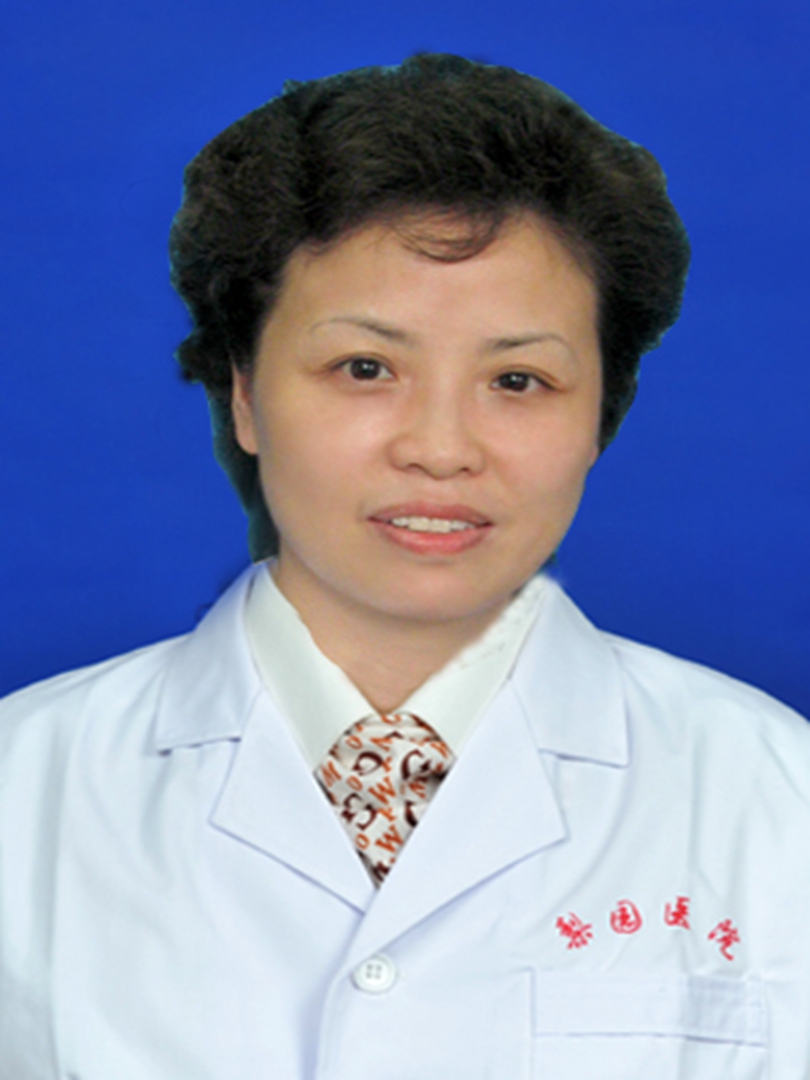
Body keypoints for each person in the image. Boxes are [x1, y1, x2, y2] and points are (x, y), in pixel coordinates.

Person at [1, 52, 808, 1079]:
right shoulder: (23, 791)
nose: (440, 448)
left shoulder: (777, 799)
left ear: (602, 416)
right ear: (244, 393)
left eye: (518, 380)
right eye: (365, 368)